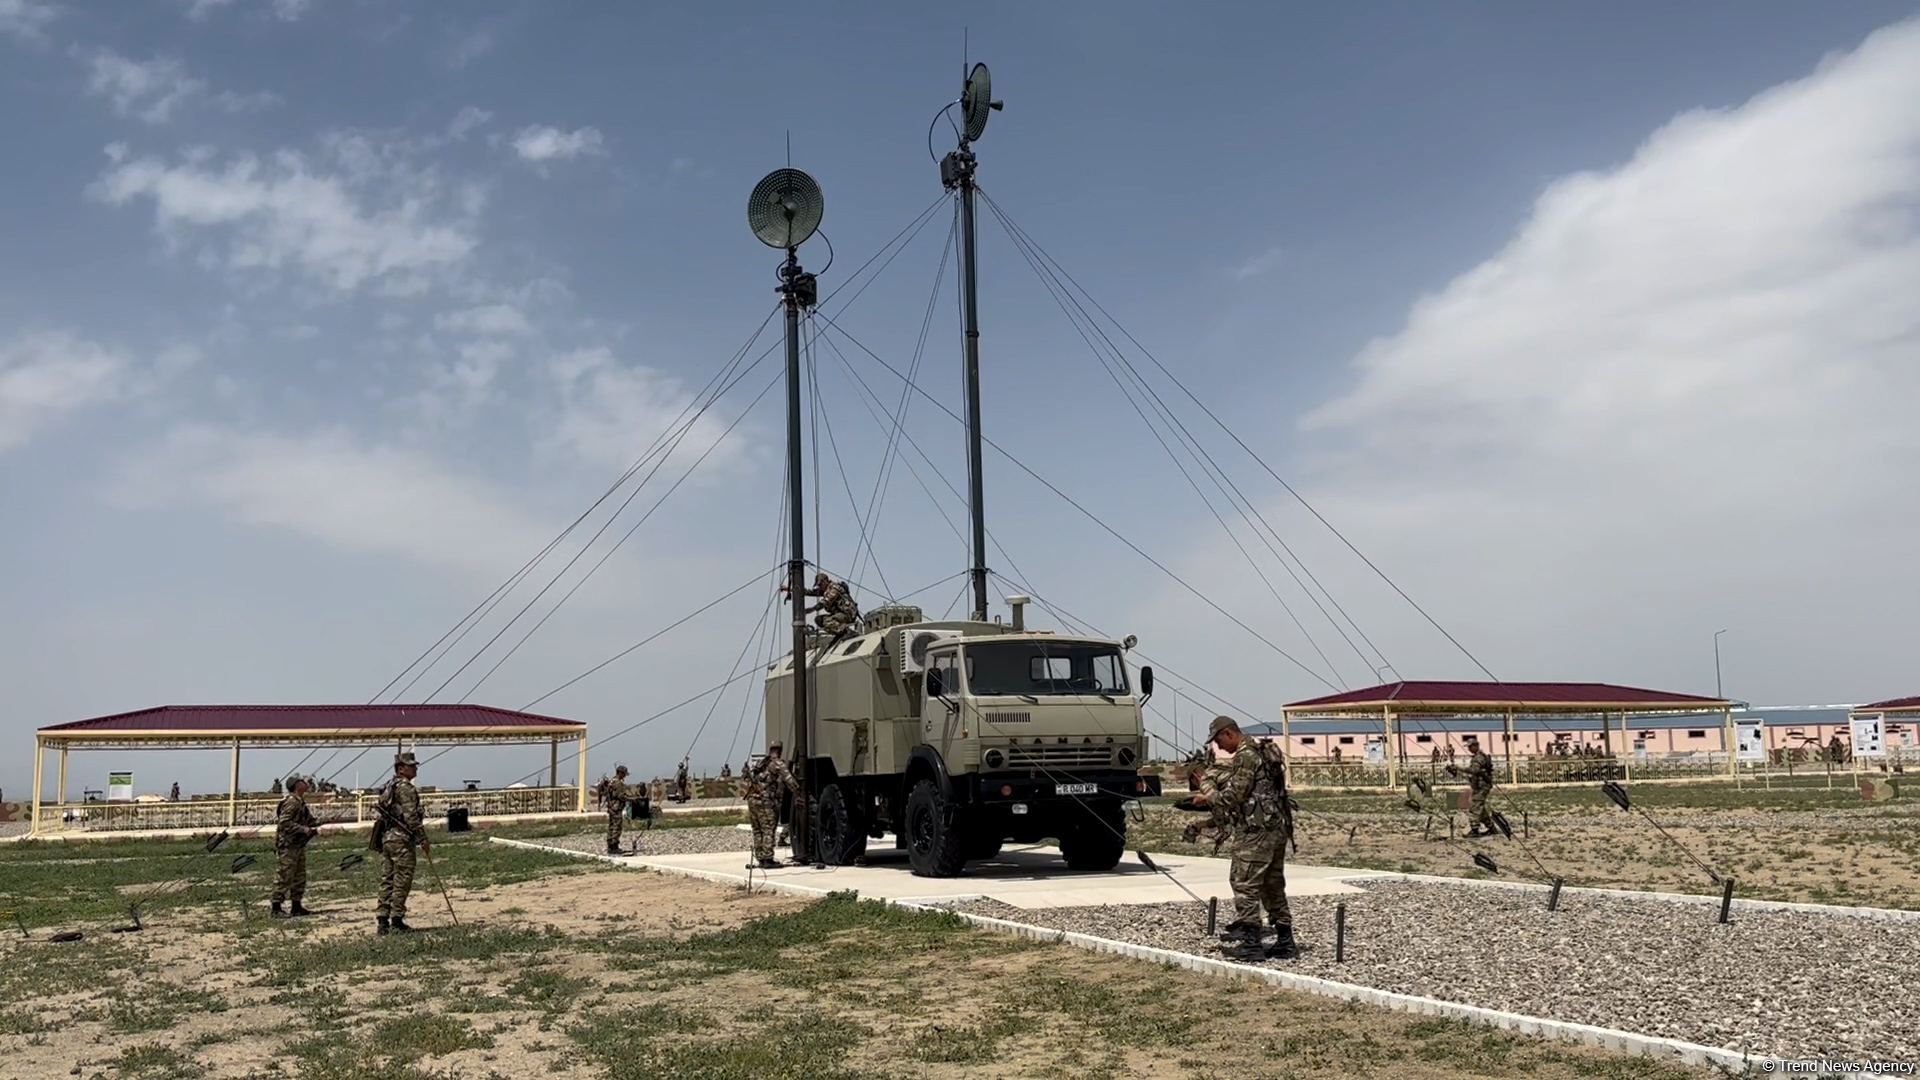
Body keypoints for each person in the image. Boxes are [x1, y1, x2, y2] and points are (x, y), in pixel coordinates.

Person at [1191, 716, 1295, 959]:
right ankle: (1285, 941)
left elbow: (1233, 796)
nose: (1218, 746)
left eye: (1218, 740)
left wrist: (1208, 795)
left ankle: (1251, 944)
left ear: (1229, 733)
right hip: (1276, 828)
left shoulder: (1245, 755)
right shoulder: (1263, 749)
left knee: (1245, 884)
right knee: (1273, 885)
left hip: (1255, 832)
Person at [372, 752, 427, 934]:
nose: (415, 769)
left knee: (387, 879)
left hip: (388, 838)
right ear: (401, 769)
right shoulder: (405, 788)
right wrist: (422, 838)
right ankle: (396, 919)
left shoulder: (390, 786)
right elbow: (411, 817)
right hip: (402, 839)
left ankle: (382, 919)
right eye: (411, 766)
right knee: (402, 878)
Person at [270, 775, 319, 918]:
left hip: (297, 845)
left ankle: (296, 906)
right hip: (288, 845)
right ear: (297, 785)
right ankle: (276, 908)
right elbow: (284, 822)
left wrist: (319, 824)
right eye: (302, 781)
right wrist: (303, 829)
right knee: (284, 876)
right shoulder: (292, 802)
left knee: (299, 876)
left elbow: (310, 821)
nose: (306, 782)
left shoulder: (300, 802)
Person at [746, 743, 801, 869]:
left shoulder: (761, 763)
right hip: (765, 801)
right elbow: (789, 779)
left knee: (757, 829)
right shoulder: (777, 763)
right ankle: (768, 859)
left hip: (752, 800)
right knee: (768, 828)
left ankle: (761, 857)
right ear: (780, 750)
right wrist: (798, 792)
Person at [1449, 736, 1497, 837]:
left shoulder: (1479, 757)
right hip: (1480, 786)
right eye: (1468, 747)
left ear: (1476, 746)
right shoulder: (1479, 756)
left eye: (1470, 747)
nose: (1469, 749)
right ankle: (1491, 827)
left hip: (1481, 786)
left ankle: (1475, 830)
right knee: (1479, 808)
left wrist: (1459, 768)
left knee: (1474, 807)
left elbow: (1474, 770)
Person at [803, 572, 860, 639]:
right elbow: (813, 592)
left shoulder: (834, 588)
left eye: (820, 585)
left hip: (847, 614)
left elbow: (825, 602)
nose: (819, 587)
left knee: (827, 622)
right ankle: (839, 632)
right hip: (839, 614)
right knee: (819, 620)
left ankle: (847, 632)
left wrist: (811, 609)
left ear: (825, 581)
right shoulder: (826, 589)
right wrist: (800, 591)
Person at [599, 765, 637, 855]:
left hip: (611, 807)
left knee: (612, 826)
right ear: (620, 773)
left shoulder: (612, 781)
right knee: (617, 827)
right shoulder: (618, 783)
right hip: (616, 808)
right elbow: (621, 796)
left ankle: (610, 846)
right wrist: (632, 799)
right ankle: (614, 846)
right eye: (624, 774)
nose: (624, 776)